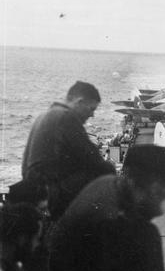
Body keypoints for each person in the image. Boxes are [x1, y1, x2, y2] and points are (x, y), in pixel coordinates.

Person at [22, 81, 116, 221]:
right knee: (106, 172)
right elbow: (93, 158)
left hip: (35, 189)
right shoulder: (66, 117)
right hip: (50, 193)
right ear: (80, 101)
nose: (92, 115)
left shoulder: (45, 115)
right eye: (91, 109)